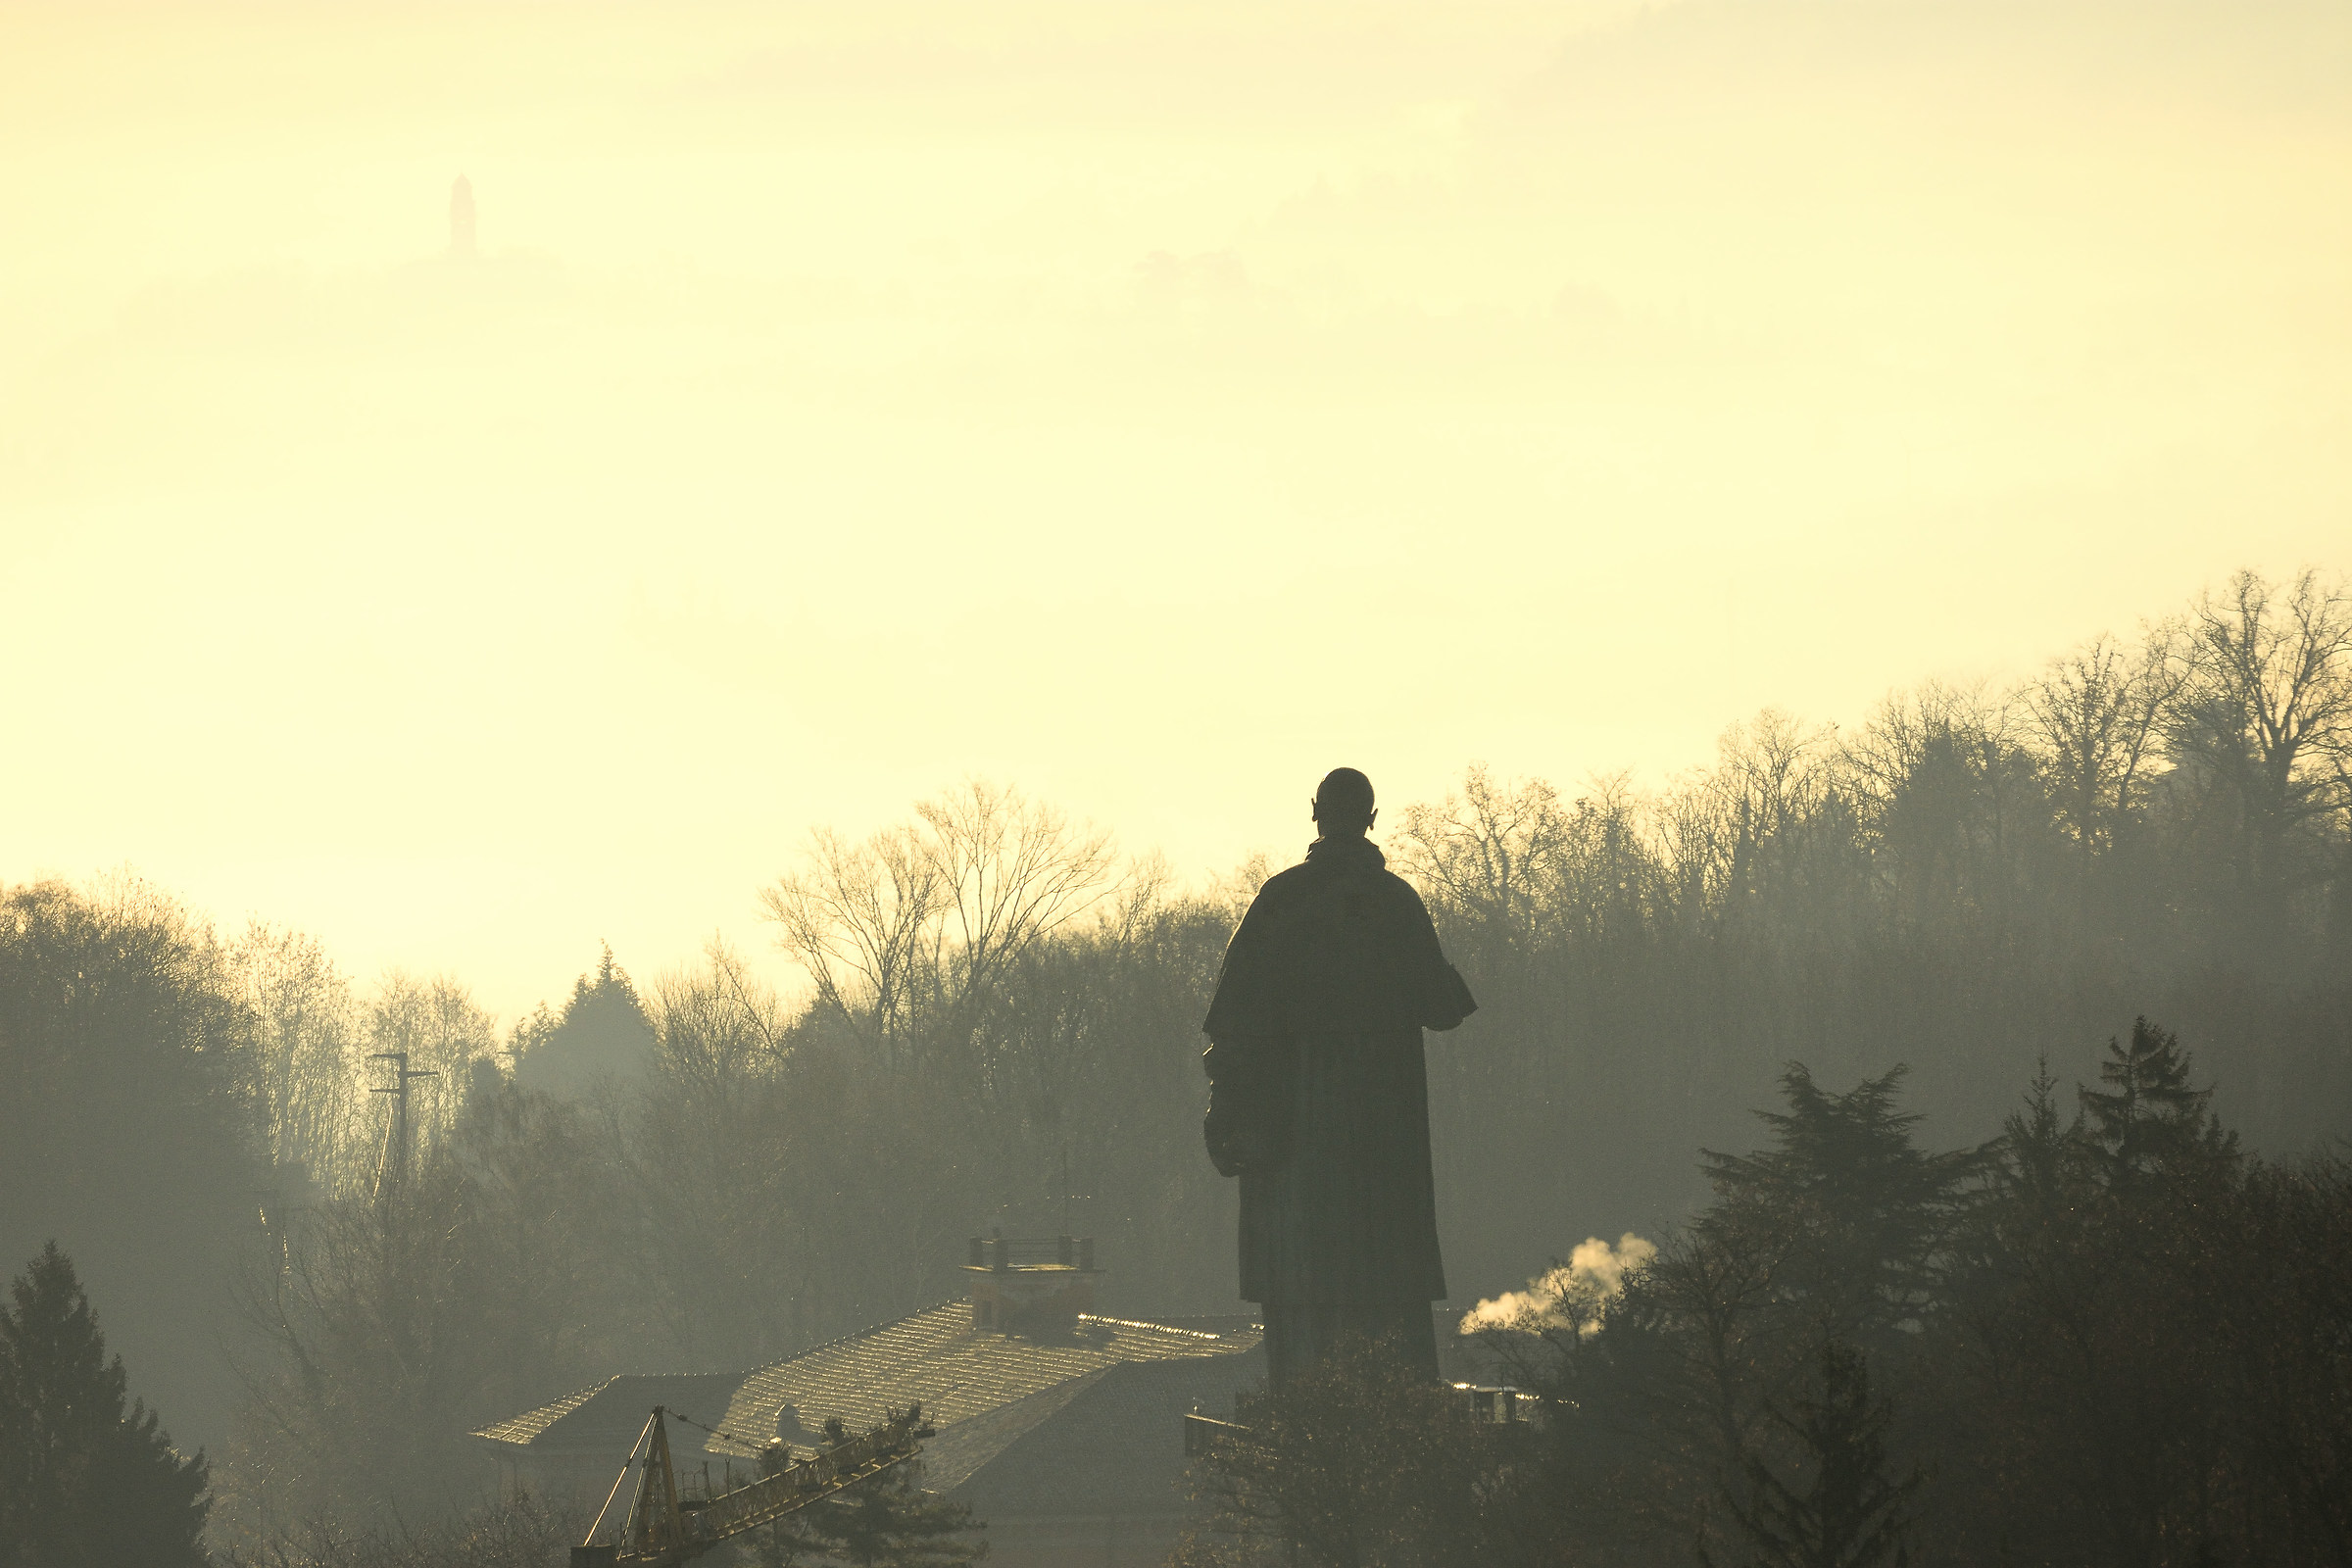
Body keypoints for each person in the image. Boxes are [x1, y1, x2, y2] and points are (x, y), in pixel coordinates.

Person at [1201, 767, 1476, 1385]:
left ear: (1315, 814)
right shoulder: (1397, 903)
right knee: (1389, 1310)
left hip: (1295, 1148)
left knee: (1301, 1310)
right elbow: (1444, 1009)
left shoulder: (1282, 900)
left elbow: (1231, 1020)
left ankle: (1308, 1430)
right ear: (1372, 820)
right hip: (1384, 1155)